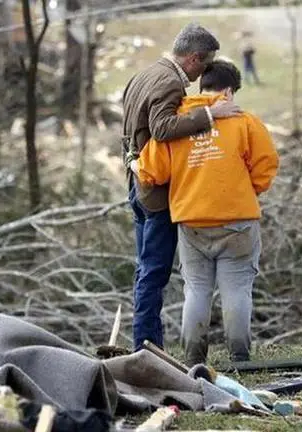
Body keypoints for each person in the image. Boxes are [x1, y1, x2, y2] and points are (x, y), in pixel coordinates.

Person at [131, 60, 279, 365]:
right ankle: (239, 356)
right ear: (227, 91)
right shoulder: (245, 121)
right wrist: (246, 190)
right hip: (238, 221)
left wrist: (135, 164)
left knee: (196, 290)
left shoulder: (179, 122)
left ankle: (193, 357)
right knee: (237, 290)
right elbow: (266, 166)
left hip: (191, 220)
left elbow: (151, 173)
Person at [121, 23, 241, 352]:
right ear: (194, 58)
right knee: (155, 271)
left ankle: (145, 344)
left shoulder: (145, 74)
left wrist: (133, 164)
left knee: (145, 267)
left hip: (137, 184)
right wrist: (210, 114)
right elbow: (161, 129)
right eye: (204, 65)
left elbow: (133, 126)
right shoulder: (170, 82)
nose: (202, 75)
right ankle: (146, 347)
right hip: (156, 193)